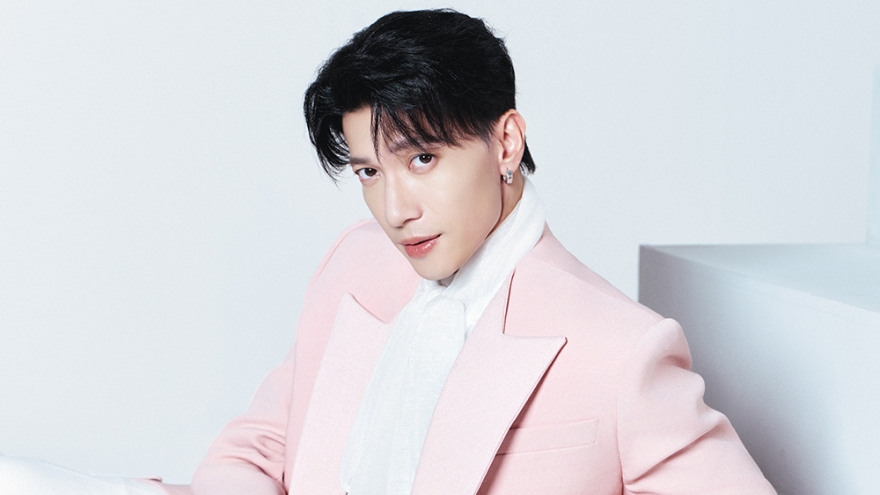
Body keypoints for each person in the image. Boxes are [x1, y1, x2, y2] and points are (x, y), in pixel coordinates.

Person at [0, 8, 777, 495]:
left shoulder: (619, 347)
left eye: (423, 159)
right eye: (370, 172)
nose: (394, 209)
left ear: (506, 141)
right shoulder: (355, 264)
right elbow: (260, 446)